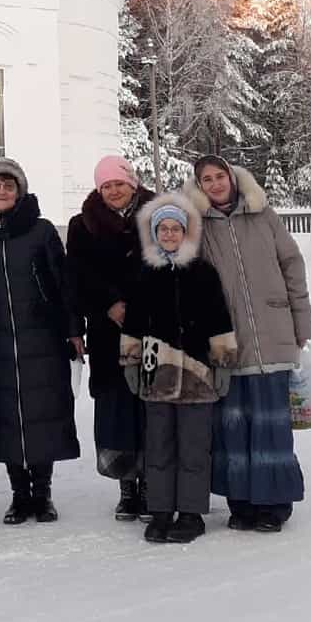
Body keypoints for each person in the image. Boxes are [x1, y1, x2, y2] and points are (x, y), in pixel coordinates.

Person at [186, 155, 311, 533]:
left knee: (272, 426)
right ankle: (241, 503)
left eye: (219, 176)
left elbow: (292, 264)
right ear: (199, 186)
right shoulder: (199, 225)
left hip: (272, 334)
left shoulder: (263, 214)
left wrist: (301, 321)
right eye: (206, 179)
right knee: (233, 426)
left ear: (232, 177)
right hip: (226, 342)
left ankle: (274, 505)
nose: (214, 184)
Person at [0, 158, 84, 523]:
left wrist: (73, 328)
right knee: (4, 416)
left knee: (43, 412)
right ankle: (19, 495)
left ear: (20, 191)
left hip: (42, 338)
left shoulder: (41, 231)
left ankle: (42, 494)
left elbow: (64, 283)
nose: (2, 191)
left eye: (9, 185)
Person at [121, 193, 237, 544]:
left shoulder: (203, 272)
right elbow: (134, 323)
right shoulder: (145, 273)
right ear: (154, 233)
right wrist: (130, 361)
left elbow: (219, 320)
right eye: (163, 229)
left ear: (186, 233)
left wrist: (223, 364)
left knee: (194, 446)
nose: (169, 234)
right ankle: (159, 511)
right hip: (158, 374)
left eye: (176, 229)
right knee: (158, 445)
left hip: (198, 374)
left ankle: (190, 512)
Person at [66, 156, 154, 521]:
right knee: (116, 407)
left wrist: (138, 303)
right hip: (107, 329)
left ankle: (152, 482)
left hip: (152, 324)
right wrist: (108, 304)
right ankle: (127, 487)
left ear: (132, 184)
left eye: (119, 183)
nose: (113, 191)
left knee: (150, 402)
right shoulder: (83, 224)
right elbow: (76, 275)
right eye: (106, 185)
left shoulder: (157, 213)